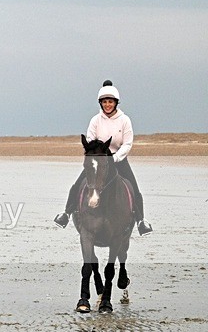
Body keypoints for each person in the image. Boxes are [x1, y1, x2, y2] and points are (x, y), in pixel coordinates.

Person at [54, 80, 152, 236]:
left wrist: (115, 157)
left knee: (134, 189)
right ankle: (66, 213)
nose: (107, 105)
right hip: (98, 162)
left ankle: (141, 221)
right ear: (101, 103)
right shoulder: (95, 120)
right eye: (105, 102)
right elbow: (90, 141)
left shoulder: (125, 120)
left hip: (118, 161)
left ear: (115, 103)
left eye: (110, 102)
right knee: (77, 184)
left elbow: (127, 144)